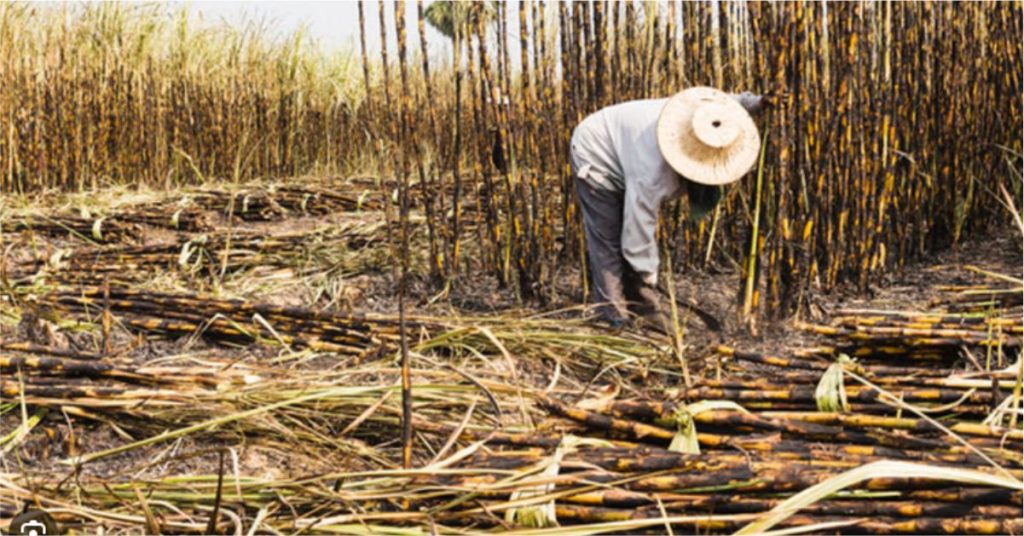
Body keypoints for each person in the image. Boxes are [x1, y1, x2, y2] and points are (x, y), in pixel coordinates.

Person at [570, 87, 767, 332]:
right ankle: (612, 314)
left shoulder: (702, 113)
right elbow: (637, 230)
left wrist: (756, 102)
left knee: (631, 247)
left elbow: (729, 104)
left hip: (627, 147)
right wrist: (649, 274)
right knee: (608, 237)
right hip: (595, 151)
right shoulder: (653, 172)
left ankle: (643, 308)